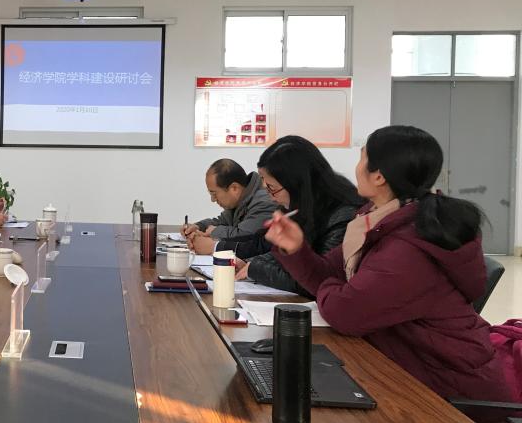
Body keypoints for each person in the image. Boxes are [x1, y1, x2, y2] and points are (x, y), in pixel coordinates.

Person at [266, 125, 518, 403]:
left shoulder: (410, 244)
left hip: (447, 388)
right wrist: (297, 250)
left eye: (362, 157)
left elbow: (345, 312)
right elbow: (329, 275)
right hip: (404, 367)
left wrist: (341, 289)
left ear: (378, 176)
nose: (356, 167)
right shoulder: (377, 221)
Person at [232, 136, 361, 296]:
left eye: (272, 188)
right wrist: (249, 264)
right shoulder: (299, 206)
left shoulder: (343, 216)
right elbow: (284, 255)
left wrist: (255, 269)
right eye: (264, 183)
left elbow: (317, 279)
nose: (269, 195)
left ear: (297, 185)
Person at [183, 158, 276, 255]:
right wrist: (198, 226)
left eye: (214, 194)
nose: (213, 199)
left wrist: (214, 232)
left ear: (234, 188)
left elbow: (247, 235)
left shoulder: (264, 201)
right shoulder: (239, 199)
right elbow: (222, 221)